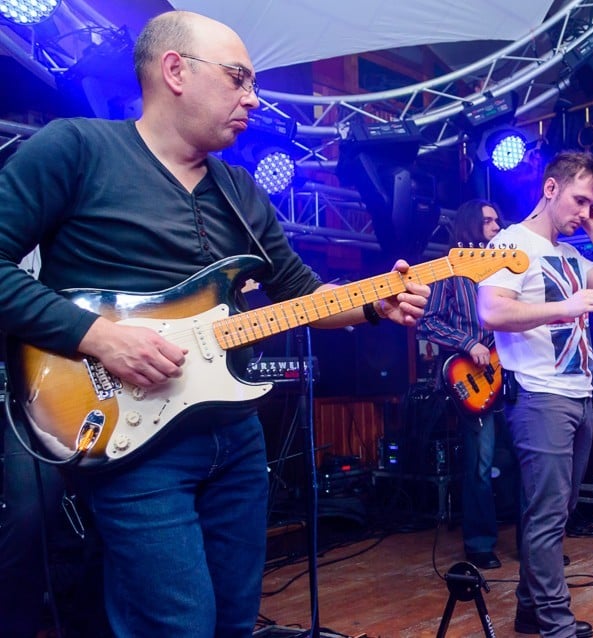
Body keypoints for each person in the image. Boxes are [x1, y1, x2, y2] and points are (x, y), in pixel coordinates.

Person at [0, 10, 429, 637]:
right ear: (175, 71)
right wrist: (97, 337)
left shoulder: (240, 190)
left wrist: (371, 304)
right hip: (133, 435)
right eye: (238, 78)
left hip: (234, 434)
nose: (253, 98)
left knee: (233, 620)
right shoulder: (77, 149)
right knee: (178, 625)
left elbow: (301, 292)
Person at [478, 151, 593, 638]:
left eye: (592, 205)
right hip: (539, 396)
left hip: (577, 395)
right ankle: (556, 623)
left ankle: (530, 610)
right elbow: (492, 312)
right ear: (550, 189)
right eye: (579, 200)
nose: (584, 212)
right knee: (546, 515)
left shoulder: (572, 255)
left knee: (559, 512)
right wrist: (564, 307)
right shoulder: (510, 243)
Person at [417, 199, 504, 569]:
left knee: (524, 461)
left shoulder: (505, 267)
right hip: (473, 378)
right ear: (470, 225)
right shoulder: (449, 269)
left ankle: (536, 543)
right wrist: (469, 343)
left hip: (513, 374)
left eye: (498, 221)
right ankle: (479, 544)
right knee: (480, 464)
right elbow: (427, 322)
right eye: (489, 221)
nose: (497, 227)